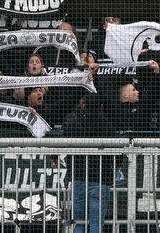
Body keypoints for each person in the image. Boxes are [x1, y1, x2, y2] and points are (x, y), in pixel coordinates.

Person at [63, 94, 118, 233]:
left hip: (78, 177)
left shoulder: (73, 122)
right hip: (100, 178)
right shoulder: (107, 124)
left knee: (79, 222)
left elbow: (61, 139)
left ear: (83, 105)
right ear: (101, 107)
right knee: (96, 224)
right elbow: (117, 149)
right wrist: (118, 163)